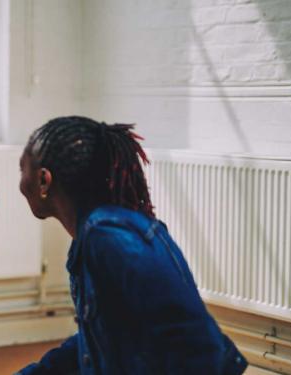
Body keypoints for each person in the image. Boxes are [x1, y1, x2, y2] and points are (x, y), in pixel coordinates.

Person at [16, 116, 247, 374]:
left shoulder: (108, 238)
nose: (19, 183)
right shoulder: (94, 238)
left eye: (21, 169)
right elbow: (96, 339)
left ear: (43, 180)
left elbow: (200, 347)